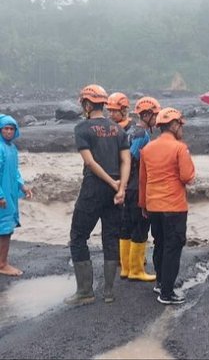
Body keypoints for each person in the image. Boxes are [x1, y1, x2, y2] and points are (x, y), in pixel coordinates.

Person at [65, 84, 131, 305]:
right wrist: (120, 188)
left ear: (86, 104)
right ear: (103, 104)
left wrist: (111, 182)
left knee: (78, 237)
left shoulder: (82, 129)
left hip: (93, 189)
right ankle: (109, 292)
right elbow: (126, 161)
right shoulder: (118, 130)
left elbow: (90, 162)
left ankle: (85, 291)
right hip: (115, 193)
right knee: (110, 238)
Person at [139, 107, 195, 305]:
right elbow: (187, 177)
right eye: (180, 124)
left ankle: (160, 282)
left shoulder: (147, 149)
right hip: (174, 206)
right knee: (173, 247)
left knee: (160, 244)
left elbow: (143, 180)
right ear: (172, 125)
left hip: (154, 205)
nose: (182, 128)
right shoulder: (180, 148)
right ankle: (167, 293)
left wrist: (143, 204)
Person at [107, 93, 160, 282]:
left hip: (125, 186)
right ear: (146, 116)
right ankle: (136, 270)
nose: (157, 119)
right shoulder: (141, 134)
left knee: (125, 227)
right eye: (155, 115)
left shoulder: (128, 132)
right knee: (139, 226)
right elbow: (130, 158)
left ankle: (126, 269)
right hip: (135, 187)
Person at [0, 115, 32, 276]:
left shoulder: (11, 147)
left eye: (11, 128)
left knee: (6, 227)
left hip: (10, 193)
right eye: (5, 128)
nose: (8, 131)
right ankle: (2, 264)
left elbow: (15, 171)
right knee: (5, 229)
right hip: (3, 196)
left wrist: (23, 186)